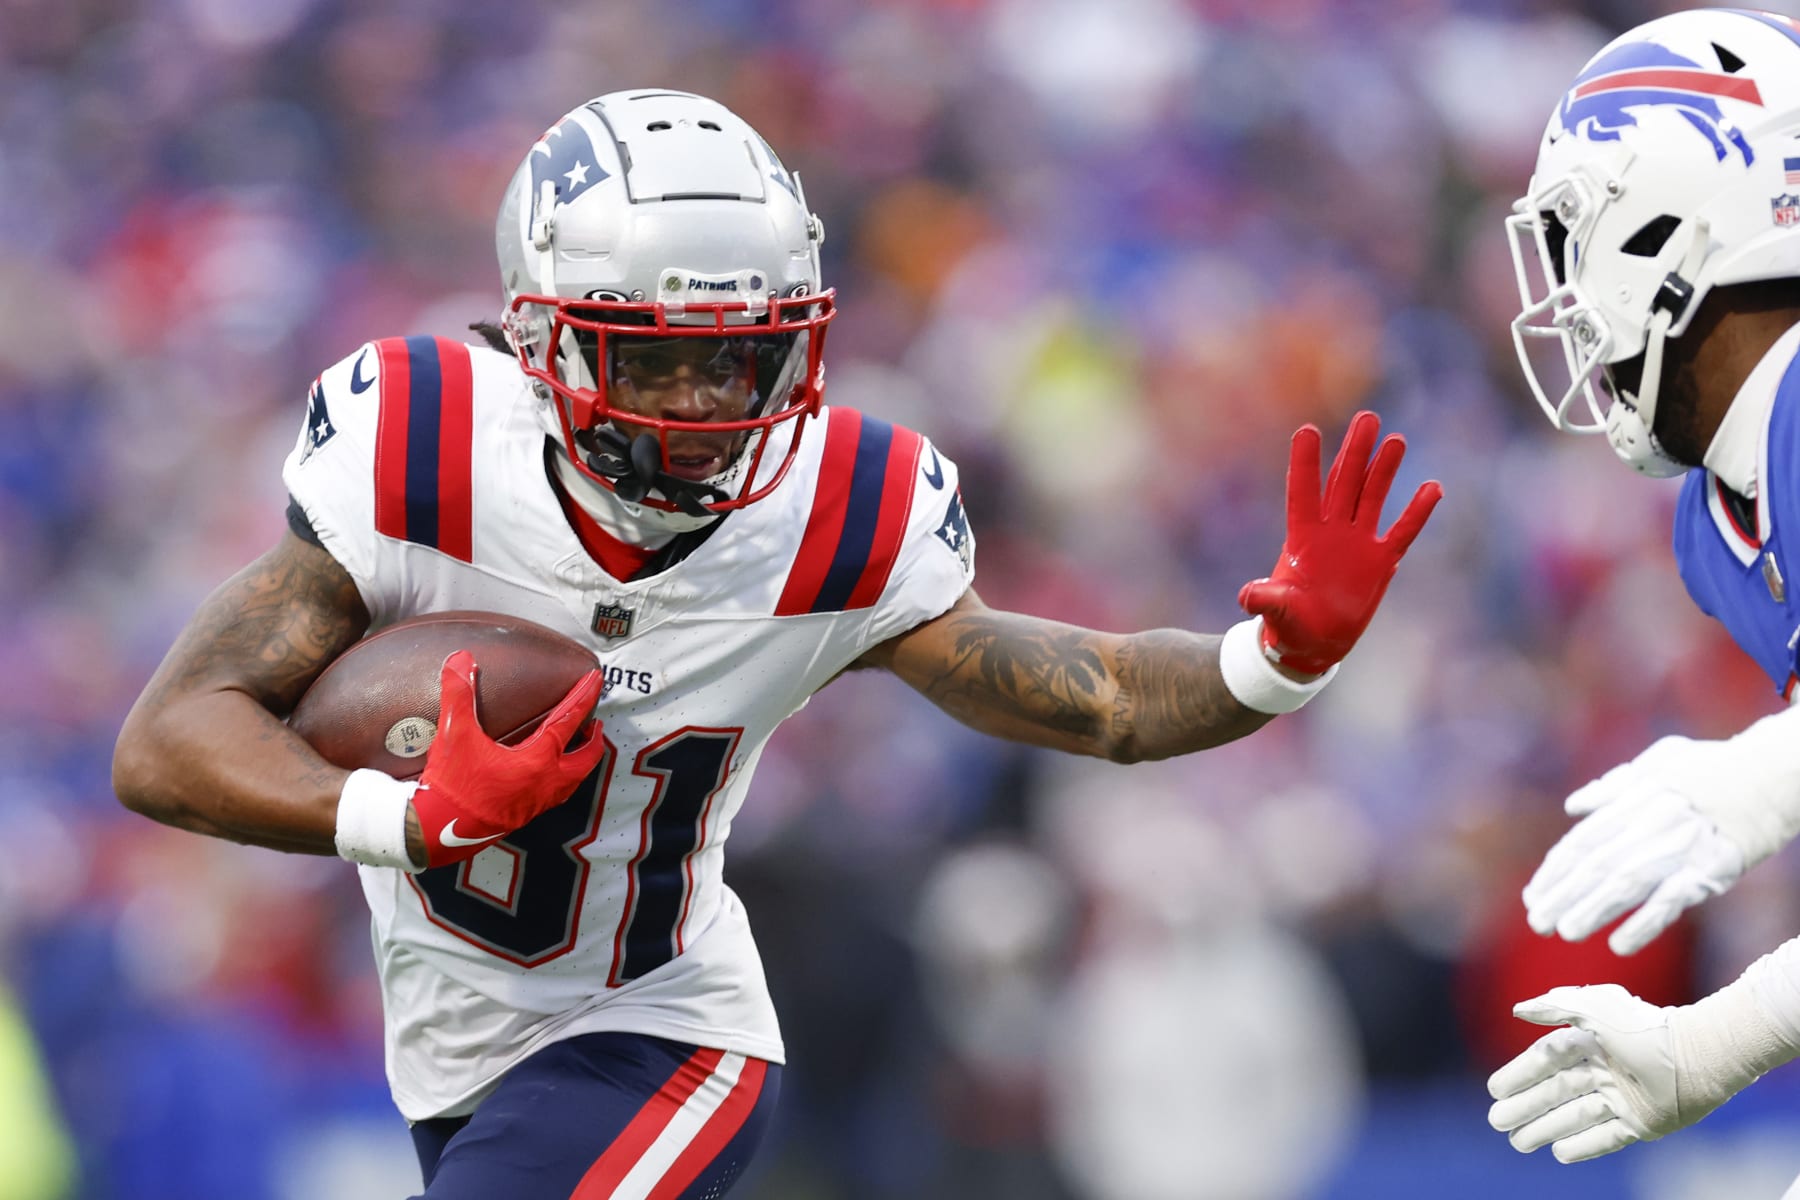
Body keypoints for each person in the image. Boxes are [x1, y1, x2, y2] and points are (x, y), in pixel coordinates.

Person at [111, 89, 1441, 1199]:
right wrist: (406, 819)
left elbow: (1097, 700)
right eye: (652, 361)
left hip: (660, 1033)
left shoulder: (833, 516)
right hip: (455, 1050)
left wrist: (1273, 660)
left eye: (736, 362)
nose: (699, 404)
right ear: (540, 337)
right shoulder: (426, 454)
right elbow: (169, 741)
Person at [1486, 8, 1800, 1169]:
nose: (1564, 299)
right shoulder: (1717, 528)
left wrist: (1767, 777)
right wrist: (1711, 1043)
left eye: (1577, 241)